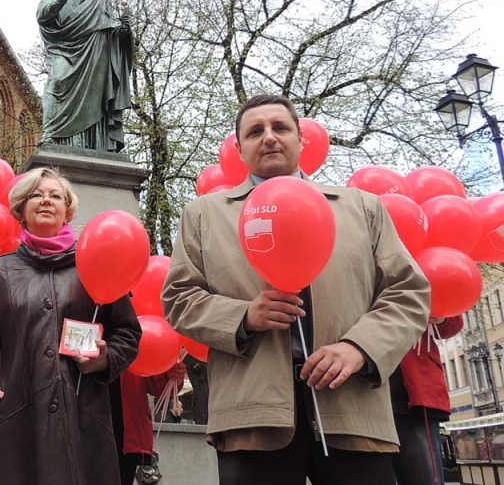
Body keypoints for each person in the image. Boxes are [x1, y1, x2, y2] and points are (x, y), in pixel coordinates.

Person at [162, 94, 431, 484]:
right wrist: (242, 316)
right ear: (239, 148)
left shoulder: (362, 208)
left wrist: (359, 348)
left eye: (280, 128)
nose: (269, 137)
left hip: (352, 409)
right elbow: (180, 299)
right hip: (251, 415)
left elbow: (408, 292)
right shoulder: (203, 215)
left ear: (302, 140)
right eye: (255, 131)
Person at [0, 166, 142, 485]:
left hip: (83, 419)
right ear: (20, 208)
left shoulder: (95, 265)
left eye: (55, 195)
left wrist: (105, 358)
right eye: (36, 194)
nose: (46, 200)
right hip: (16, 421)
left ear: (68, 210)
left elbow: (127, 333)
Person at [36, 0, 133, 152]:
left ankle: (94, 144)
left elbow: (109, 27)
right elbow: (42, 15)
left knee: (96, 99)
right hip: (63, 48)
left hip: (95, 52)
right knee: (57, 81)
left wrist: (123, 31)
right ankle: (50, 134)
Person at [390, 315, 463, 484]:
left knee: (423, 475)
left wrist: (440, 319)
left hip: (411, 395)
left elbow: (452, 323)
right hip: (364, 394)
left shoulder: (423, 288)